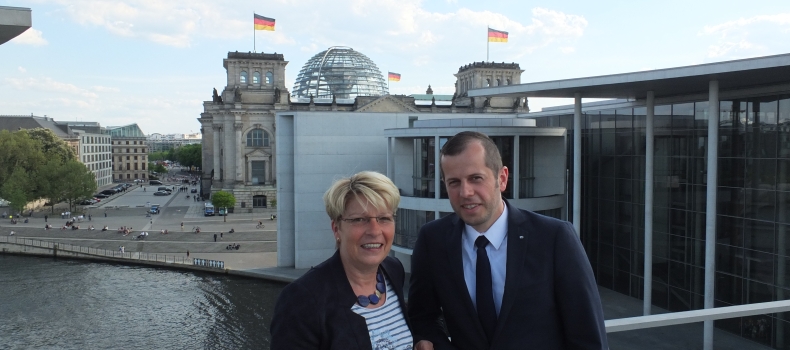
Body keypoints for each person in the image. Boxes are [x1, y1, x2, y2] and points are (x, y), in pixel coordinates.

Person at [408, 131, 608, 350]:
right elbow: (422, 317)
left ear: (502, 178)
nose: (465, 192)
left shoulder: (554, 238)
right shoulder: (432, 240)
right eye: (454, 182)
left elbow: (587, 335)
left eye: (476, 178)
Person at [270, 171, 419, 349]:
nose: (374, 231)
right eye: (359, 219)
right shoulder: (302, 299)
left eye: (384, 218)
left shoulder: (393, 270)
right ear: (337, 229)